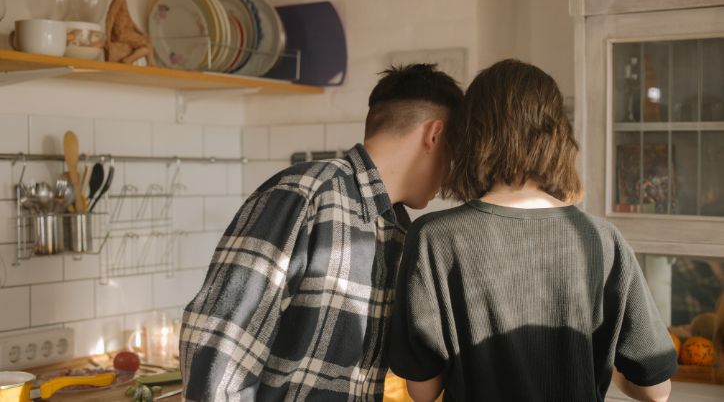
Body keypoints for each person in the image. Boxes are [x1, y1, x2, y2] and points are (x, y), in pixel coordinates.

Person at [389, 59, 677, 402]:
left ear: (472, 135)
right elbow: (656, 390)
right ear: (557, 135)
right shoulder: (602, 239)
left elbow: (423, 390)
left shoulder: (433, 239)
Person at [179, 64, 463, 401]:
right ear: (434, 134)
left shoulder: (398, 230)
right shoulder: (306, 194)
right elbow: (219, 340)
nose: (450, 177)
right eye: (455, 151)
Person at [105, 0, 156, 65]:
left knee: (147, 43)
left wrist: (140, 32)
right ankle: (150, 64)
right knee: (147, 42)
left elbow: (130, 21)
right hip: (121, 34)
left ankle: (129, 60)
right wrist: (108, 38)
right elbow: (110, 16)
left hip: (126, 32)